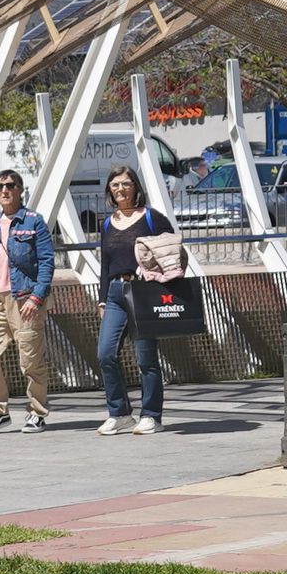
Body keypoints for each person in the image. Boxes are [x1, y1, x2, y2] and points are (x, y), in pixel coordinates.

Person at [92, 164, 178, 432]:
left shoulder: (151, 218)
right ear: (109, 189)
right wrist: (103, 299)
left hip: (142, 291)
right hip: (116, 293)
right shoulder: (108, 223)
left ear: (136, 188)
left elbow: (172, 250)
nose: (121, 189)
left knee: (145, 358)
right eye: (115, 184)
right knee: (106, 353)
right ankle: (119, 413)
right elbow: (105, 264)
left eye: (126, 184)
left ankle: (151, 415)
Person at [0, 166, 58, 432]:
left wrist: (37, 296)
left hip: (25, 300)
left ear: (20, 190)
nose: (5, 190)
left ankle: (37, 411)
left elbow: (47, 261)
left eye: (11, 186)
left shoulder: (33, 221)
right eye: (0, 187)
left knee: (30, 360)